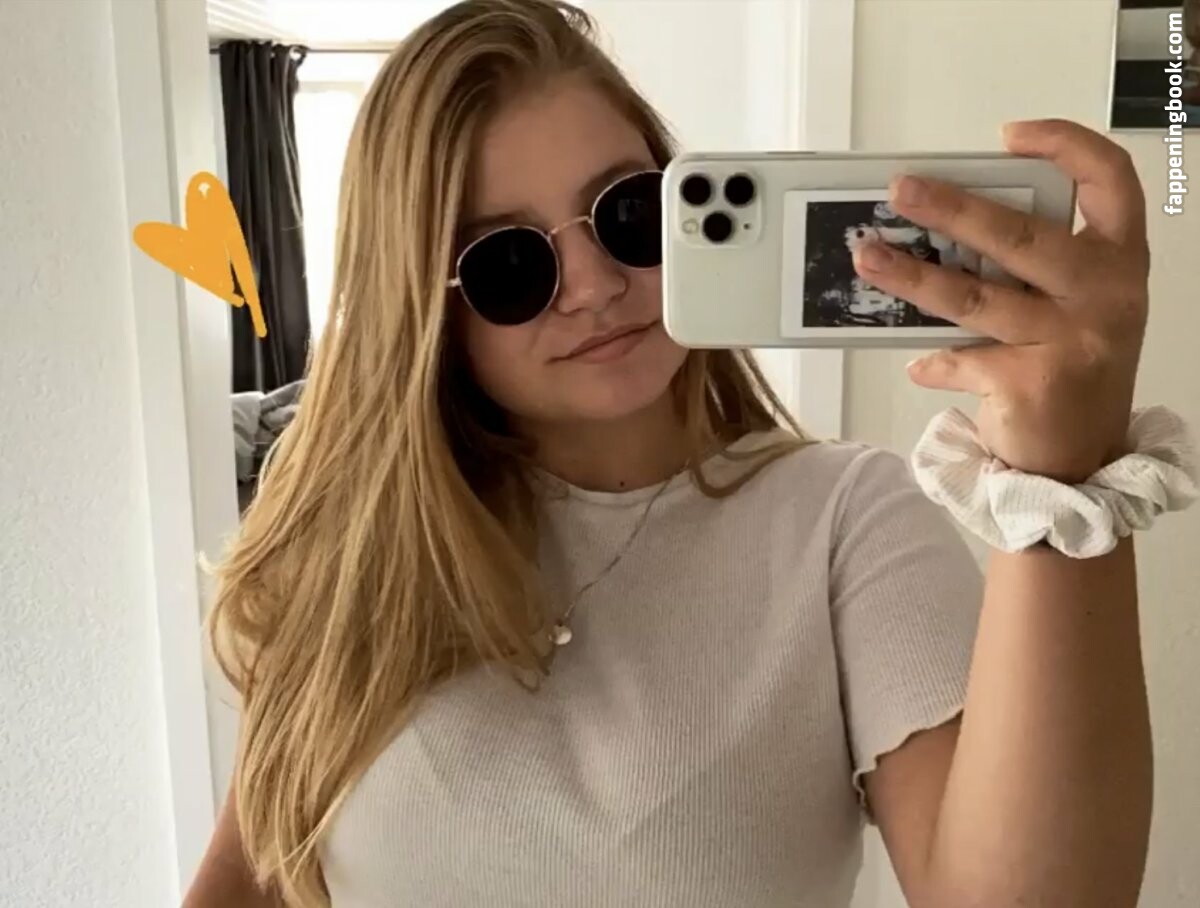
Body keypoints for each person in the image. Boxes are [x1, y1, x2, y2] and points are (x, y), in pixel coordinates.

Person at [184, 1, 1159, 906]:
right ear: (419, 304)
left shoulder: (843, 525)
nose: (594, 284)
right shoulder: (346, 542)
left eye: (628, 214)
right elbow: (252, 876)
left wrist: (1059, 461)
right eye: (509, 263)